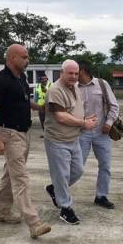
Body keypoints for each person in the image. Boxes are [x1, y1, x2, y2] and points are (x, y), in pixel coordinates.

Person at [0, 44, 51, 239]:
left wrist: (41, 107)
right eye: (24, 56)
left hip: (24, 133)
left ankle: (2, 211)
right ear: (12, 58)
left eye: (27, 56)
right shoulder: (0, 81)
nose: (27, 59)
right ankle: (34, 222)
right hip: (9, 134)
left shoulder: (21, 78)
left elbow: (23, 101)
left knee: (10, 175)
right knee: (21, 178)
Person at [44, 59, 97, 225]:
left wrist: (84, 119)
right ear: (62, 73)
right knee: (62, 175)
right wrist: (83, 123)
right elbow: (60, 116)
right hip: (57, 140)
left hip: (73, 138)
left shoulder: (75, 88)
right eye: (70, 73)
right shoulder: (55, 90)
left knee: (78, 170)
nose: (74, 77)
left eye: (76, 73)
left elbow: (73, 110)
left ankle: (54, 188)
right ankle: (65, 208)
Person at [78, 61, 119, 209]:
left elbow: (114, 105)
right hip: (81, 133)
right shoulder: (73, 87)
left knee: (105, 166)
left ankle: (101, 196)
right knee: (77, 167)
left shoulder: (101, 84)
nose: (72, 75)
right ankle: (59, 192)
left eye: (75, 72)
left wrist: (108, 123)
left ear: (82, 71)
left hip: (102, 133)